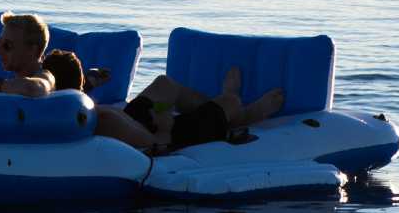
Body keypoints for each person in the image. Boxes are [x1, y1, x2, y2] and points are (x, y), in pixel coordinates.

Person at [95, 66, 288, 154]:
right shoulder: (106, 122)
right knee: (232, 101)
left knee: (164, 84)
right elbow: (157, 148)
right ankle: (241, 115)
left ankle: (217, 109)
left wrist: (88, 82)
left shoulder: (72, 105)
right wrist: (164, 125)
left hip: (134, 121)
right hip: (161, 136)